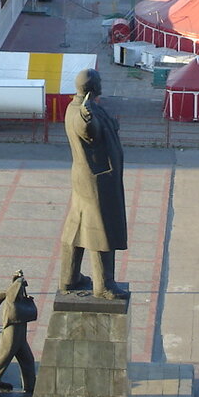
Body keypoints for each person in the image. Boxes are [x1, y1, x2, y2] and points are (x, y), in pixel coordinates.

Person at [59, 68, 128, 299]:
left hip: (84, 178)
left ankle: (69, 278)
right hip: (97, 181)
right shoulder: (82, 113)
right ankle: (104, 285)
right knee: (101, 229)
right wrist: (88, 119)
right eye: (99, 82)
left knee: (76, 226)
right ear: (93, 87)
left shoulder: (76, 106)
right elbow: (88, 131)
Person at [0, 271, 37, 397]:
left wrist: (20, 280)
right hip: (11, 336)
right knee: (2, 360)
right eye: (21, 289)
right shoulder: (11, 303)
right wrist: (18, 282)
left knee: (28, 360)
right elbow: (17, 315)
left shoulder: (18, 301)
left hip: (20, 336)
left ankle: (30, 387)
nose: (23, 291)